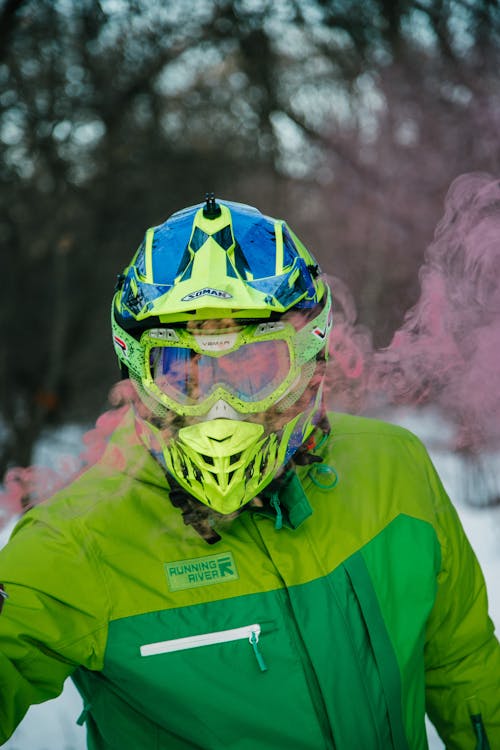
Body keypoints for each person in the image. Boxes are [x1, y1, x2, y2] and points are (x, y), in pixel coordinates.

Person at [0, 195, 499, 750]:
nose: (221, 408)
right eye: (182, 372)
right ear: (137, 372)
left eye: (255, 366)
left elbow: (465, 666)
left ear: (309, 363)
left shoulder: (394, 467)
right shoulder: (74, 541)